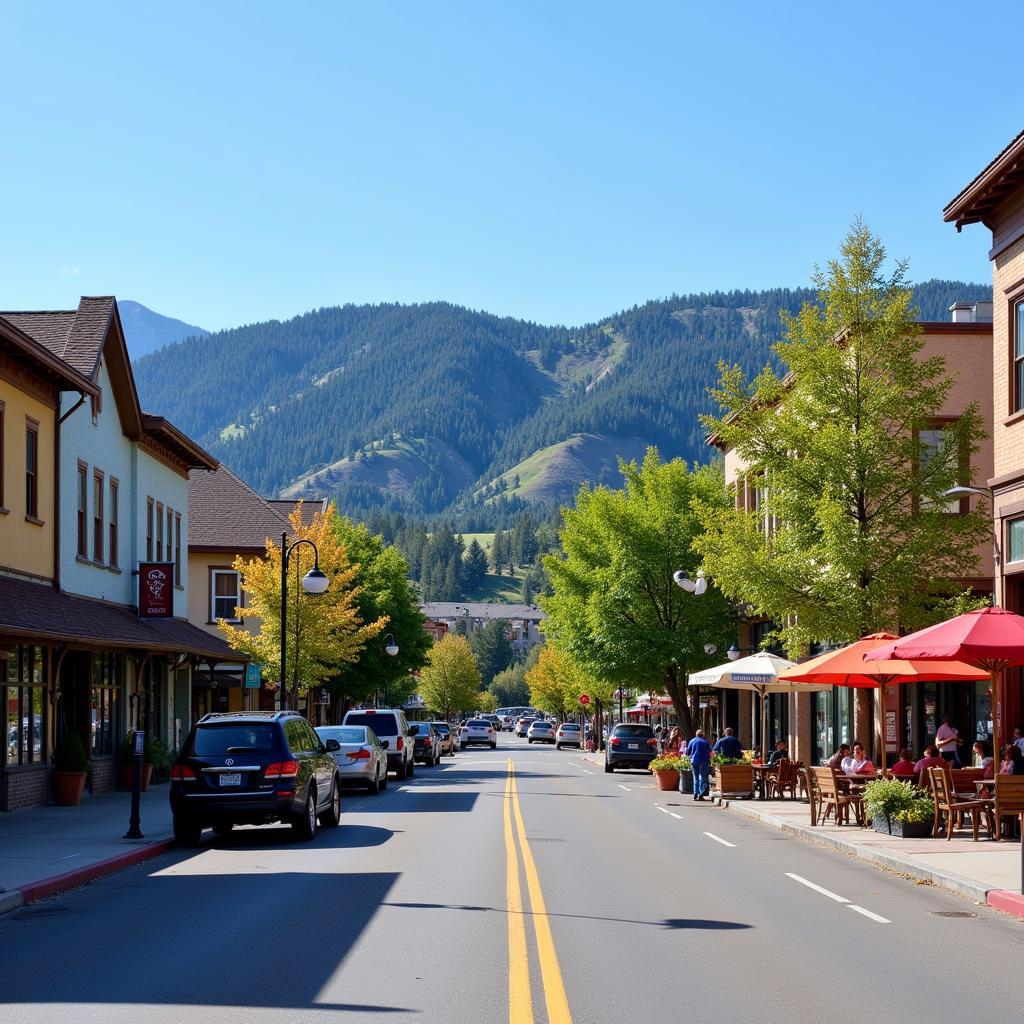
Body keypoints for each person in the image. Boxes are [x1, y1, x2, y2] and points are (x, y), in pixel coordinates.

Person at [686, 729, 712, 801]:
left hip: (694, 761)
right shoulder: (705, 742)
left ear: (696, 735)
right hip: (704, 761)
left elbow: (688, 752)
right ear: (702, 735)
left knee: (696, 778)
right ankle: (701, 794)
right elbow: (709, 751)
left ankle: (695, 794)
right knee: (703, 778)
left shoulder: (691, 741)